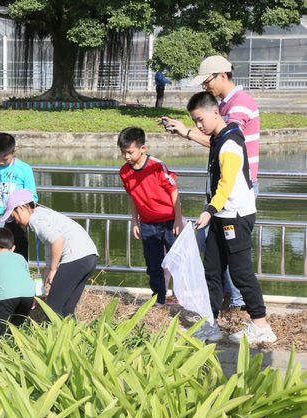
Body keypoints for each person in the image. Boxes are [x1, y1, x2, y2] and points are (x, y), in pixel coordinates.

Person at [164, 55, 260, 309]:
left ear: (222, 75)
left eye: (207, 82)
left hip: (234, 196)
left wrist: (187, 132)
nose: (205, 87)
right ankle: (218, 311)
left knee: (238, 266)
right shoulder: (225, 106)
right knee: (215, 261)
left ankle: (242, 307)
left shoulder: (238, 107)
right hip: (222, 197)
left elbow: (224, 145)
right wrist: (187, 130)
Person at [188, 91, 276, 344]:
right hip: (220, 214)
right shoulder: (219, 138)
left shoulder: (229, 144)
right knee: (212, 270)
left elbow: (226, 184)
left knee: (240, 273)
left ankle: (261, 326)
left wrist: (209, 209)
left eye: (200, 120)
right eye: (194, 121)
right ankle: (210, 323)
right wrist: (213, 211)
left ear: (215, 113)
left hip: (234, 216)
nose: (198, 126)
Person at [3, 189, 98, 317]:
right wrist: (47, 270)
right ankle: (71, 335)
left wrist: (53, 269)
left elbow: (57, 241)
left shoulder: (34, 220)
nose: (16, 221)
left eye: (14, 216)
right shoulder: (43, 213)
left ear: (21, 208)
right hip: (89, 257)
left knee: (53, 308)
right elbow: (50, 244)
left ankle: (53, 335)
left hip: (75, 257)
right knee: (67, 309)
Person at [118, 127, 183, 305]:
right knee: (153, 265)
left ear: (142, 149)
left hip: (169, 222)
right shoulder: (124, 172)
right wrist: (134, 220)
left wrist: (178, 219)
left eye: (129, 152)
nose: (126, 156)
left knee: (177, 262)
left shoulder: (157, 166)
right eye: (123, 152)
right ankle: (159, 299)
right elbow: (132, 196)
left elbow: (174, 191)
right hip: (147, 223)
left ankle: (180, 296)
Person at [0, 132, 38, 261]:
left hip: (14, 219)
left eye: (4, 159)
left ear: (13, 151)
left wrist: (20, 210)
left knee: (18, 257)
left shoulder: (24, 169)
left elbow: (32, 197)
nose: (0, 162)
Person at [0, 227, 36, 340]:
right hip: (28, 297)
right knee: (15, 329)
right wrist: (33, 300)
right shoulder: (21, 258)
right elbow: (28, 279)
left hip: (6, 298)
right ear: (13, 248)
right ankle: (15, 351)